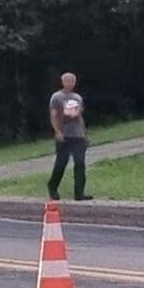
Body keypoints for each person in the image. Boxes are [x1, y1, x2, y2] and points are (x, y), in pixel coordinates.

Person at [47, 72, 93, 201]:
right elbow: (53, 115)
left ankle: (79, 192)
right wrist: (57, 131)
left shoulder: (77, 97)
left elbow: (80, 117)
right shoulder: (57, 97)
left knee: (79, 163)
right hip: (64, 134)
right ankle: (52, 186)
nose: (70, 83)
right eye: (67, 81)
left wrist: (84, 133)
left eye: (72, 81)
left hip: (77, 135)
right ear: (63, 82)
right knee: (61, 163)